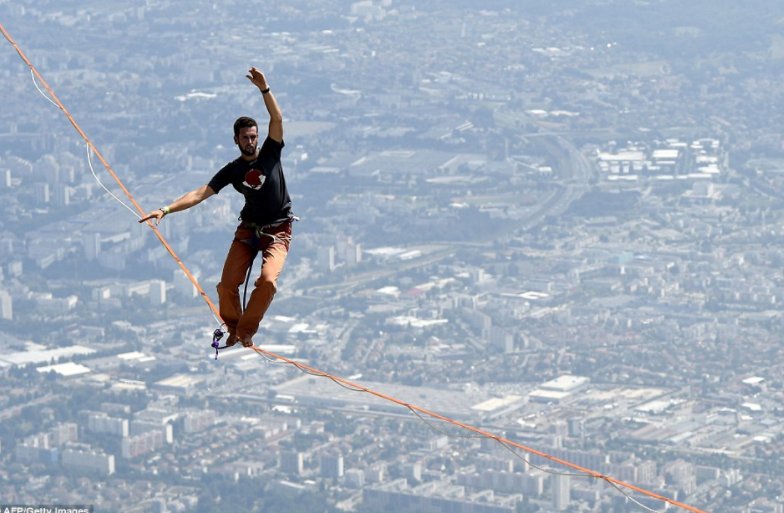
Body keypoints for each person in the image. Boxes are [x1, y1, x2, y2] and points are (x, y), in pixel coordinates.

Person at [140, 66, 294, 348]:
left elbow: (277, 118)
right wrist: (165, 209)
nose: (251, 141)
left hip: (279, 229)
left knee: (268, 281)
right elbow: (201, 193)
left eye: (253, 136)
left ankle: (247, 331)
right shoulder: (233, 170)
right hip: (249, 230)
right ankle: (233, 328)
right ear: (236, 140)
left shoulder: (271, 153)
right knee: (226, 286)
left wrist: (265, 89)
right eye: (245, 137)